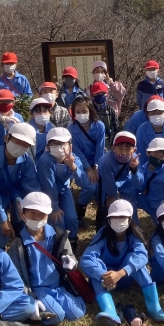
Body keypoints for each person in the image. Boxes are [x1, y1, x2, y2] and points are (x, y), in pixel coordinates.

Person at [80, 199, 164, 326]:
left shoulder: (134, 235)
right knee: (96, 266)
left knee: (136, 261)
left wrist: (121, 273)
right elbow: (86, 259)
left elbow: (142, 256)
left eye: (122, 217)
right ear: (109, 219)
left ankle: (154, 307)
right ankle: (109, 310)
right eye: (114, 217)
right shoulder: (103, 234)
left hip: (125, 277)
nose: (118, 220)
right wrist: (103, 275)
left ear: (129, 219)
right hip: (106, 282)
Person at [8, 192, 87, 326]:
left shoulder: (58, 235)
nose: (37, 218)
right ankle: (31, 310)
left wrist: (71, 263)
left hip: (58, 285)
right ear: (22, 214)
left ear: (48, 215)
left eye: (41, 214)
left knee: (78, 313)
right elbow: (16, 277)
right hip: (37, 289)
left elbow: (70, 256)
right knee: (57, 317)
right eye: (32, 213)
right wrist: (29, 296)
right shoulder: (18, 244)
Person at [0, 123, 41, 248]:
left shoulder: (26, 160)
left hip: (15, 194)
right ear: (6, 138)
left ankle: (22, 245)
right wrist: (2, 219)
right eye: (18, 142)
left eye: (26, 145)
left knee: (25, 221)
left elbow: (32, 188)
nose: (21, 147)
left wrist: (33, 209)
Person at [37, 127, 91, 248]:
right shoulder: (45, 160)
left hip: (64, 191)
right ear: (48, 146)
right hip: (47, 194)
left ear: (69, 146)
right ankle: (59, 243)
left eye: (62, 143)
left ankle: (72, 241)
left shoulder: (74, 158)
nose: (59, 147)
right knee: (58, 221)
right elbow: (49, 185)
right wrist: (55, 208)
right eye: (54, 143)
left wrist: (72, 166)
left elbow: (83, 182)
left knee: (72, 218)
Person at [69, 96, 105, 228]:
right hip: (80, 162)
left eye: (84, 111)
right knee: (90, 186)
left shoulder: (99, 126)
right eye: (77, 112)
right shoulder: (72, 128)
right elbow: (77, 152)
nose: (81, 114)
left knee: (101, 187)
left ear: (90, 110)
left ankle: (102, 215)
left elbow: (100, 148)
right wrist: (89, 170)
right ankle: (80, 211)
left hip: (98, 161)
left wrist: (96, 167)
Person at [97, 131, 143, 228]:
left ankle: (135, 229)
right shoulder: (105, 161)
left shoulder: (135, 159)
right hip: (108, 184)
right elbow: (109, 183)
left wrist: (134, 170)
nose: (124, 153)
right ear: (113, 148)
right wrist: (111, 196)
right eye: (120, 148)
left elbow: (139, 183)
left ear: (134, 150)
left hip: (127, 183)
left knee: (130, 207)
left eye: (128, 149)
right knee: (110, 208)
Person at [136, 96, 164, 167]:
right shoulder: (141, 130)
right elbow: (140, 154)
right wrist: (145, 170)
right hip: (148, 168)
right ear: (147, 114)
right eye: (153, 113)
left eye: (159, 113)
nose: (156, 116)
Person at [88, 81, 119, 150]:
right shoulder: (88, 110)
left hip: (108, 145)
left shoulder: (110, 110)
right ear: (92, 96)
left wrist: (112, 144)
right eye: (97, 93)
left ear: (107, 95)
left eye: (102, 93)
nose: (100, 95)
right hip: (92, 145)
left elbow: (116, 128)